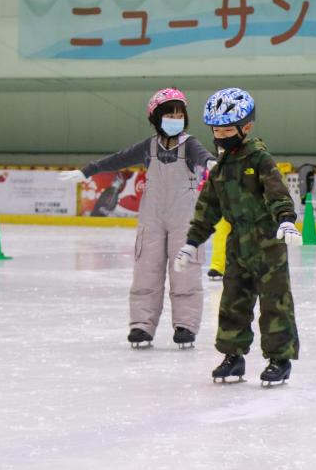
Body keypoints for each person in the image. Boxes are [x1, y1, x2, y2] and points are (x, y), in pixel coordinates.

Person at [59, 88, 215, 349]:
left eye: (179, 114)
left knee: (185, 271)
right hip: (151, 219)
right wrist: (87, 172)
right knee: (146, 270)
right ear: (156, 118)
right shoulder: (148, 147)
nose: (175, 119)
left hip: (184, 220)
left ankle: (185, 325)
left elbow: (203, 156)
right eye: (169, 115)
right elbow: (117, 159)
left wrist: (211, 163)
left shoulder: (190, 144)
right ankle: (142, 326)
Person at [174, 88, 301, 386]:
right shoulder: (221, 169)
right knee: (233, 302)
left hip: (268, 242)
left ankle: (279, 359)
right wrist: (192, 241)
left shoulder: (259, 158)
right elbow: (208, 208)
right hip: (238, 245)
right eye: (216, 130)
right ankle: (233, 356)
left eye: (227, 129)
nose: (221, 135)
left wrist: (285, 220)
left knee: (275, 302)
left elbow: (276, 191)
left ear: (246, 127)